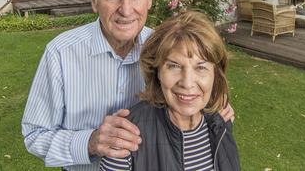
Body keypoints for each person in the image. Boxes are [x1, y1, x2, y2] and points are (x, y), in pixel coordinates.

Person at [22, 0, 233, 170]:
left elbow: (192, 87)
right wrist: (90, 142)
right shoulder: (61, 53)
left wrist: (214, 109)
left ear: (149, 0)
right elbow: (35, 135)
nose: (126, 9)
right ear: (94, 0)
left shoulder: (165, 50)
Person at [99, 11, 240, 171]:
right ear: (156, 71)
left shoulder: (220, 123)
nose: (187, 83)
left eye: (200, 67)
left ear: (215, 74)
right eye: (174, 66)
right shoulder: (125, 138)